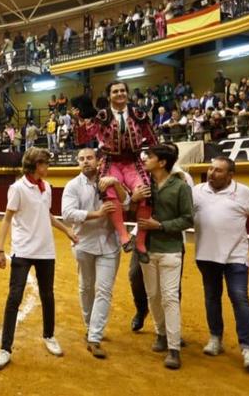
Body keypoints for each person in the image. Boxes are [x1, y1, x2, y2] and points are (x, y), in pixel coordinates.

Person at [0, 147, 78, 370]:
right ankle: (5, 348)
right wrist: (0, 249)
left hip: (46, 250)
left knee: (48, 295)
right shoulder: (18, 188)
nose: (48, 167)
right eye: (45, 163)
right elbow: (7, 218)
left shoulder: (46, 187)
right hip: (22, 250)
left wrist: (66, 229)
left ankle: (49, 336)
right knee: (14, 297)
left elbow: (46, 215)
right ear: (34, 165)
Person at [193, 156, 249, 372]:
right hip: (206, 255)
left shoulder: (243, 191)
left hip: (235, 256)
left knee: (240, 298)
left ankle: (247, 348)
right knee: (212, 298)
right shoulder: (196, 191)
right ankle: (216, 338)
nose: (211, 173)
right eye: (210, 168)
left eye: (218, 170)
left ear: (230, 175)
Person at [73, 81, 158, 262]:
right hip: (111, 160)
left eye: (122, 91)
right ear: (109, 96)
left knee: (146, 192)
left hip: (134, 161)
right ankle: (124, 236)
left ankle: (141, 242)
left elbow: (152, 139)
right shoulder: (102, 116)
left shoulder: (139, 114)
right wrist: (79, 122)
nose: (119, 94)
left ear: (127, 94)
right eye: (115, 91)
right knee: (107, 187)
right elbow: (83, 138)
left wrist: (155, 159)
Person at [61, 148, 127, 358]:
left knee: (104, 290)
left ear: (98, 161)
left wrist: (116, 184)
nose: (85, 162)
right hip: (84, 243)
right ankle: (90, 326)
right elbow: (68, 214)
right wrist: (97, 213)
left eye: (89, 158)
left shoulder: (111, 180)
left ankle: (94, 337)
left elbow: (127, 203)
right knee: (86, 288)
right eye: (81, 159)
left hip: (109, 244)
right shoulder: (72, 186)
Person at [137, 144, 193, 370]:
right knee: (153, 295)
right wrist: (134, 197)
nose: (146, 159)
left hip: (170, 249)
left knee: (169, 297)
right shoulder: (145, 185)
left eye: (150, 157)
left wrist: (160, 225)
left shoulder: (180, 186)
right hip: (147, 249)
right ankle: (160, 333)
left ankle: (174, 348)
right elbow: (132, 209)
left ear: (162, 162)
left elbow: (188, 219)